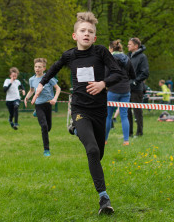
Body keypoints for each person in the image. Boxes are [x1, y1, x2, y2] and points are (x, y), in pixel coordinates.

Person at [31, 12, 123, 215]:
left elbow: (119, 73)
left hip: (99, 111)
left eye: (90, 32)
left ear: (95, 37)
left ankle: (75, 129)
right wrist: (40, 86)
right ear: (75, 35)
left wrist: (103, 83)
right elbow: (52, 69)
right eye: (83, 31)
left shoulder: (100, 53)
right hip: (80, 109)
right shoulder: (69, 55)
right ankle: (104, 199)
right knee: (91, 150)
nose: (86, 34)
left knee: (98, 153)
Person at [24, 58, 61, 157]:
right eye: (36, 67)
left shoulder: (48, 77)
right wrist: (26, 98)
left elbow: (58, 88)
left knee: (48, 128)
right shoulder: (32, 79)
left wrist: (55, 98)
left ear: (44, 68)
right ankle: (46, 150)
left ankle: (37, 113)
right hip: (39, 105)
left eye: (39, 67)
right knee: (44, 126)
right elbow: (32, 90)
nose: (37, 68)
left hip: (48, 104)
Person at [105, 39, 136, 146]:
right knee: (124, 115)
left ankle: (104, 140)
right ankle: (126, 141)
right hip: (126, 90)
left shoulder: (110, 59)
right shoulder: (127, 59)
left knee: (108, 115)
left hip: (113, 90)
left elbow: (106, 75)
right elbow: (133, 75)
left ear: (111, 48)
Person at [127, 37, 149, 137]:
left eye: (130, 44)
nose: (128, 46)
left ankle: (139, 133)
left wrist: (135, 82)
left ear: (136, 46)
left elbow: (145, 73)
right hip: (126, 89)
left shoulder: (142, 57)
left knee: (137, 112)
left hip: (137, 89)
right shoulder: (128, 56)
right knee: (127, 112)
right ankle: (129, 133)